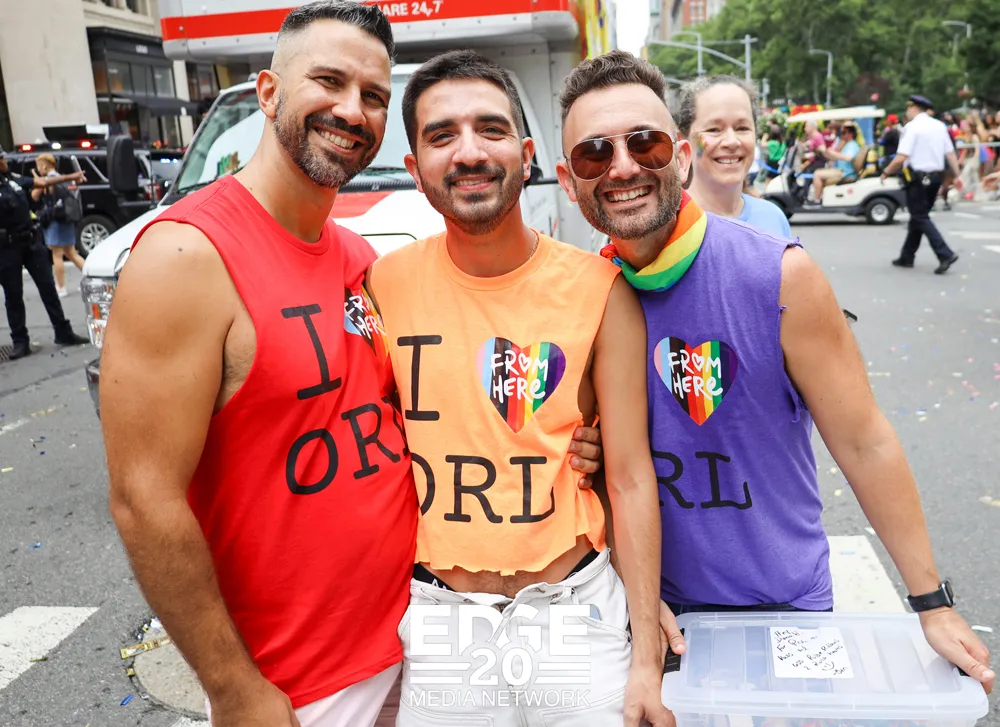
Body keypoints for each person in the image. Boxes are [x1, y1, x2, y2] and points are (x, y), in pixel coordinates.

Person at [100, 5, 601, 727]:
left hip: (422, 636)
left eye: (372, 95)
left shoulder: (360, 260)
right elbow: (142, 498)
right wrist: (234, 688)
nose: (351, 110)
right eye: (328, 82)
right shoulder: (185, 255)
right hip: (301, 682)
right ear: (269, 92)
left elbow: (422, 411)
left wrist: (579, 437)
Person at [556, 50, 994, 695]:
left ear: (681, 157)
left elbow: (864, 441)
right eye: (595, 154)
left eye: (645, 144)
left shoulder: (779, 274)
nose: (622, 167)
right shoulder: (581, 296)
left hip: (785, 605)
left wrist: (932, 602)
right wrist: (633, 593)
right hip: (654, 613)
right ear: (569, 182)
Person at [369, 49, 669, 727]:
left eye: (491, 129)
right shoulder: (382, 284)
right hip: (442, 618)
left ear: (527, 155)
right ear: (415, 169)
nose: (469, 152)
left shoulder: (601, 290)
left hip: (573, 610)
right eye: (442, 135)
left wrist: (646, 656)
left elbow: (629, 477)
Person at [0, 146, 89, 360]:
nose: (4, 161)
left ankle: (63, 331)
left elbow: (42, 183)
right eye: (1, 159)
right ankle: (20, 341)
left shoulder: (13, 179)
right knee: (13, 295)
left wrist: (71, 176)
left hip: (31, 243)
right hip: (7, 248)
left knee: (48, 287)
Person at [675, 75, 791, 237]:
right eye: (713, 130)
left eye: (742, 128)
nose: (731, 142)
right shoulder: (666, 225)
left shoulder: (773, 218)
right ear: (683, 143)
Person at [882, 94, 962, 274]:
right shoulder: (939, 126)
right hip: (935, 178)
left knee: (919, 216)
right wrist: (957, 175)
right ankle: (907, 256)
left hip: (917, 179)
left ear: (913, 108)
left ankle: (945, 253)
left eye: (908, 108)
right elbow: (950, 153)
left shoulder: (911, 128)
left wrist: (886, 171)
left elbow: (901, 157)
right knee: (919, 216)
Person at [33, 154, 86, 297]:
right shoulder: (62, 178)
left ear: (44, 165)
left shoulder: (49, 180)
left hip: (55, 220)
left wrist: (38, 183)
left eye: (39, 166)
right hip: (66, 219)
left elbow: (34, 195)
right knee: (71, 253)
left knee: (57, 255)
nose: (38, 169)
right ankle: (90, 277)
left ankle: (60, 287)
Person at [810, 122, 861, 202]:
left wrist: (833, 153)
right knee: (819, 174)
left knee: (817, 174)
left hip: (845, 173)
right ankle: (821, 199)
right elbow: (836, 157)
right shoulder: (846, 145)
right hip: (840, 170)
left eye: (844, 132)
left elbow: (848, 158)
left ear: (850, 133)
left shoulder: (852, 145)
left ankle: (816, 200)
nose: (842, 135)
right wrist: (825, 153)